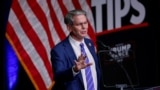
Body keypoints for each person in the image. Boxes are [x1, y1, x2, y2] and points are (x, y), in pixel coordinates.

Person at [50, 9, 102, 90]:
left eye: (85, 23)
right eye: (79, 24)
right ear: (69, 27)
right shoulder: (59, 50)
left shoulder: (90, 43)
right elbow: (58, 76)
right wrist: (74, 69)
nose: (84, 27)